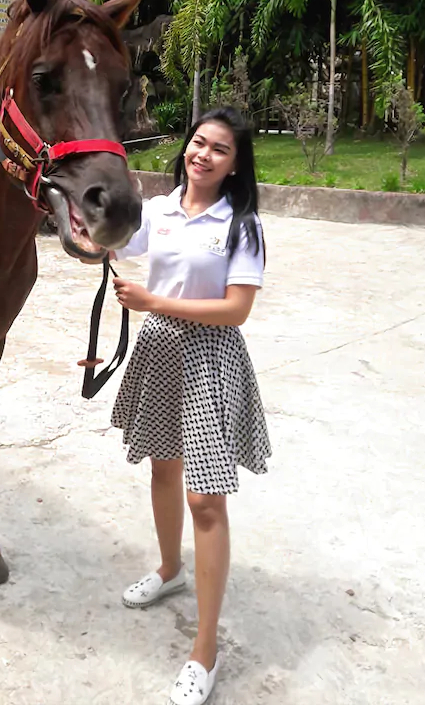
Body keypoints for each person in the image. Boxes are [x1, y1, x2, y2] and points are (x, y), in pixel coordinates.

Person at [110, 106, 271, 705]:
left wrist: (153, 301)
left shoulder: (242, 225)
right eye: (198, 142)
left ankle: (205, 650)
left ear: (235, 165)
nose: (203, 154)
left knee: (206, 498)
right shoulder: (160, 210)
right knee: (162, 467)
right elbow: (114, 242)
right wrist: (83, 220)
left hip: (210, 355)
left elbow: (236, 309)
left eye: (219, 149)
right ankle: (170, 569)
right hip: (159, 349)